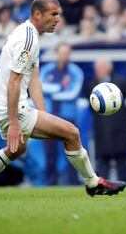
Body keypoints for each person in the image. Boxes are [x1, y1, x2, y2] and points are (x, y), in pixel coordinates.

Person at [0, 0, 126, 201]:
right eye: (53, 14)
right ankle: (93, 183)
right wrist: (13, 123)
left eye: (59, 14)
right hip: (8, 106)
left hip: (1, 103)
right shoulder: (27, 40)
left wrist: (43, 115)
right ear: (37, 14)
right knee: (71, 133)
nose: (58, 19)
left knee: (17, 149)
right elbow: (14, 81)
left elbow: (34, 78)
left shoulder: (28, 34)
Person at [40, 42, 83, 185]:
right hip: (50, 116)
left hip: (69, 117)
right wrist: (59, 88)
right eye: (61, 52)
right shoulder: (46, 70)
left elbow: (72, 94)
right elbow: (40, 87)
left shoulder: (76, 71)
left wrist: (52, 92)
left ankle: (73, 182)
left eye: (67, 52)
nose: (64, 55)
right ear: (56, 54)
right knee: (50, 152)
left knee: (73, 151)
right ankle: (51, 182)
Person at [86, 58, 126, 182]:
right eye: (96, 68)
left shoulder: (121, 82)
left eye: (101, 67)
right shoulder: (92, 85)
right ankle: (103, 183)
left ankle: (124, 183)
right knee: (102, 159)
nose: (98, 70)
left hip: (120, 127)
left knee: (121, 158)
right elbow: (90, 107)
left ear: (109, 68)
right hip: (101, 128)